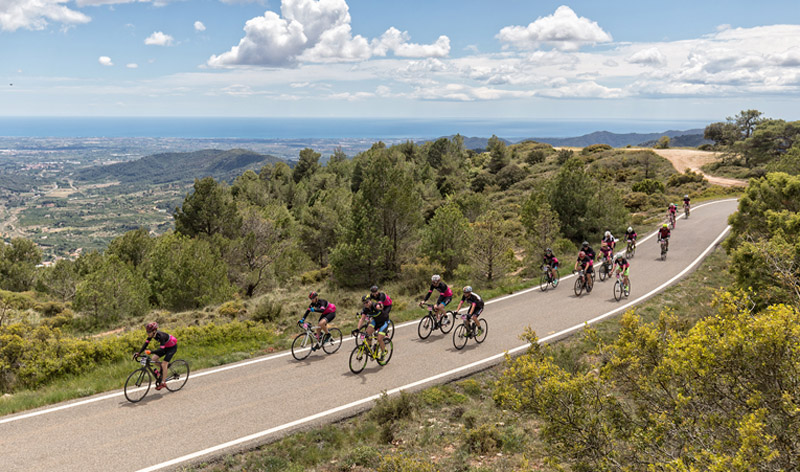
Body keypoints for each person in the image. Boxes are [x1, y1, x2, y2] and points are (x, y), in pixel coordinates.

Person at [133, 322, 177, 391]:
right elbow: (145, 344)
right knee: (153, 359)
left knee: (164, 363)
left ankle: (163, 383)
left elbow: (161, 349)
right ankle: (164, 369)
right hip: (166, 347)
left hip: (172, 348)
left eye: (149, 332)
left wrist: (151, 352)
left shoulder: (161, 336)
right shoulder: (151, 335)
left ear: (154, 331)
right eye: (147, 331)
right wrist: (139, 353)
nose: (148, 333)